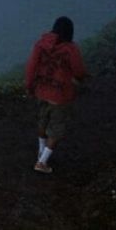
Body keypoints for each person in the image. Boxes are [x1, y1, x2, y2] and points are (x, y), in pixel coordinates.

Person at [24, 16, 88, 174]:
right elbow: (79, 70)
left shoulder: (41, 45)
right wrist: (80, 80)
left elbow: (31, 68)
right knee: (56, 129)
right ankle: (42, 162)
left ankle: (40, 150)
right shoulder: (70, 48)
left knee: (43, 121)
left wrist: (30, 87)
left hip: (41, 90)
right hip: (60, 95)